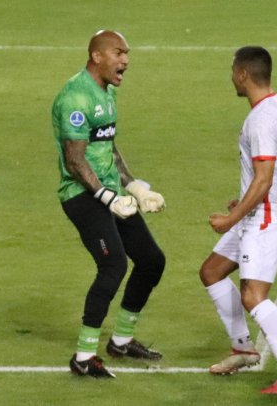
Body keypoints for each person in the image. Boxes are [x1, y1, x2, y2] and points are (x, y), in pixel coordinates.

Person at [51, 30, 167, 378]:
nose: (126, 60)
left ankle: (121, 341)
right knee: (113, 265)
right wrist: (106, 197)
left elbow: (108, 146)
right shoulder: (75, 97)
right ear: (97, 56)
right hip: (82, 196)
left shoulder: (108, 92)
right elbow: (75, 160)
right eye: (119, 53)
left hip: (112, 193)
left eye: (127, 53)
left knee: (151, 260)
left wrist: (135, 186)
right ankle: (83, 357)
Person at [204, 46, 277, 393]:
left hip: (265, 216)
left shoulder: (262, 119)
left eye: (233, 70)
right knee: (212, 271)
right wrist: (245, 200)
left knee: (253, 295)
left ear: (244, 74)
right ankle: (244, 349)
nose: (231, 76)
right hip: (261, 208)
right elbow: (265, 176)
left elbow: (263, 181)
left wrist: (231, 217)